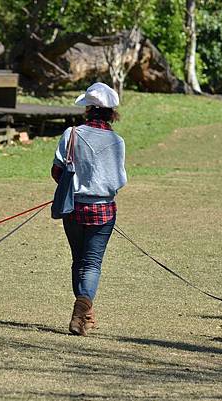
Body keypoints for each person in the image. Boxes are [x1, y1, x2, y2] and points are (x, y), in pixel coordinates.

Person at [51, 82, 127, 336]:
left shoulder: (71, 134)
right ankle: (83, 310)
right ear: (110, 113)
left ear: (88, 109)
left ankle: (82, 311)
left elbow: (57, 171)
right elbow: (119, 181)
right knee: (92, 263)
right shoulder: (117, 141)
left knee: (78, 260)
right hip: (104, 210)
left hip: (73, 207)